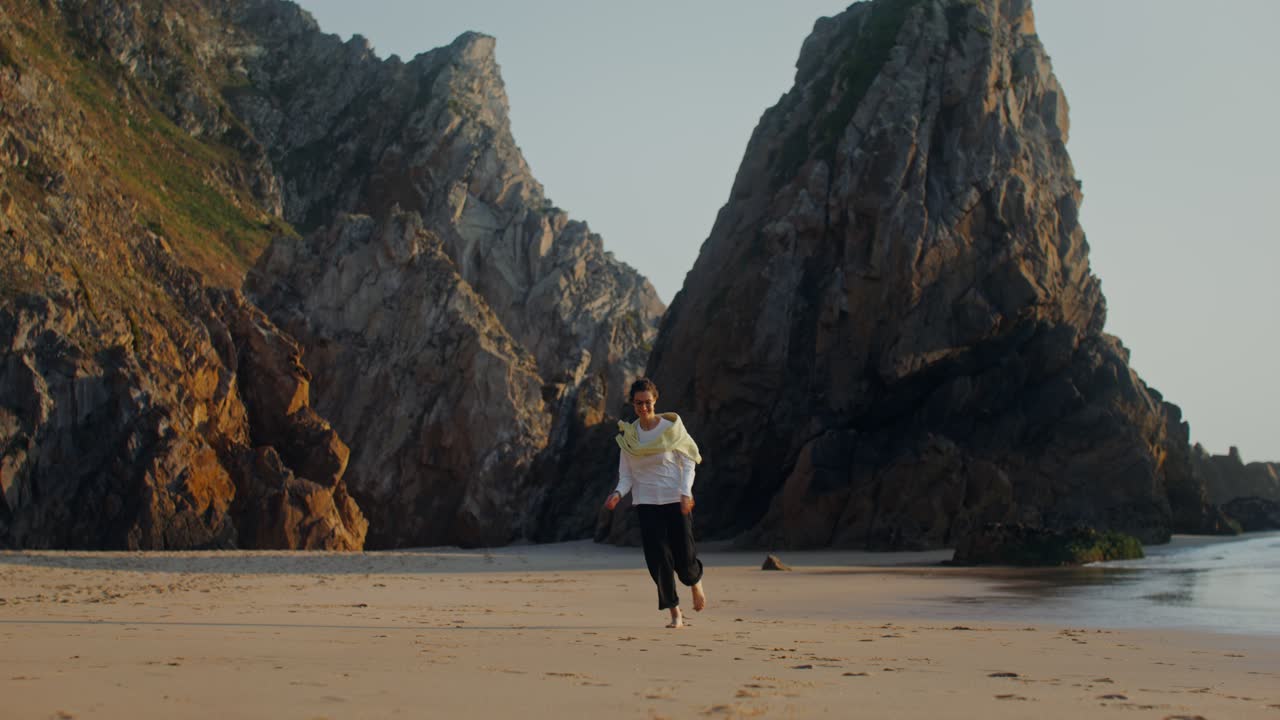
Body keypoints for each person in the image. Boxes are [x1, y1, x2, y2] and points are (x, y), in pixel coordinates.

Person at [603, 377, 707, 628]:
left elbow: (689, 461)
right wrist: (618, 493)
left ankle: (695, 582)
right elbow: (627, 475)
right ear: (633, 404)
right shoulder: (630, 437)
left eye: (647, 402)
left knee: (684, 558)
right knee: (658, 561)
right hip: (647, 503)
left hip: (675, 499)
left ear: (655, 401)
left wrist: (685, 492)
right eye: (638, 403)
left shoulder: (671, 429)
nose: (643, 408)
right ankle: (675, 612)